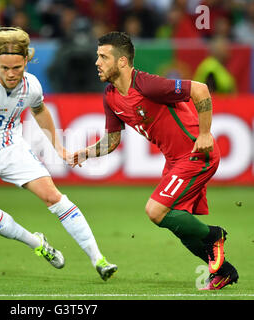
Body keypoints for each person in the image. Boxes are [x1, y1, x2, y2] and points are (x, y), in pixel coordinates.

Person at [0, 22, 117, 281]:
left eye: (17, 67)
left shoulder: (31, 86)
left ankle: (99, 260)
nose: (11, 73)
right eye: (5, 68)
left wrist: (59, 148)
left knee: (53, 196)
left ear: (26, 62)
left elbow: (39, 110)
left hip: (11, 150)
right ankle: (36, 243)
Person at [71, 31, 239, 290]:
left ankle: (214, 235)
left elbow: (200, 89)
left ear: (123, 62)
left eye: (104, 57)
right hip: (175, 161)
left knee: (156, 210)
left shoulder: (147, 85)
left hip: (196, 154)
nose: (97, 62)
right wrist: (85, 153)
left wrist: (205, 134)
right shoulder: (111, 96)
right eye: (98, 56)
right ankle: (223, 271)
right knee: (180, 224)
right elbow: (112, 141)